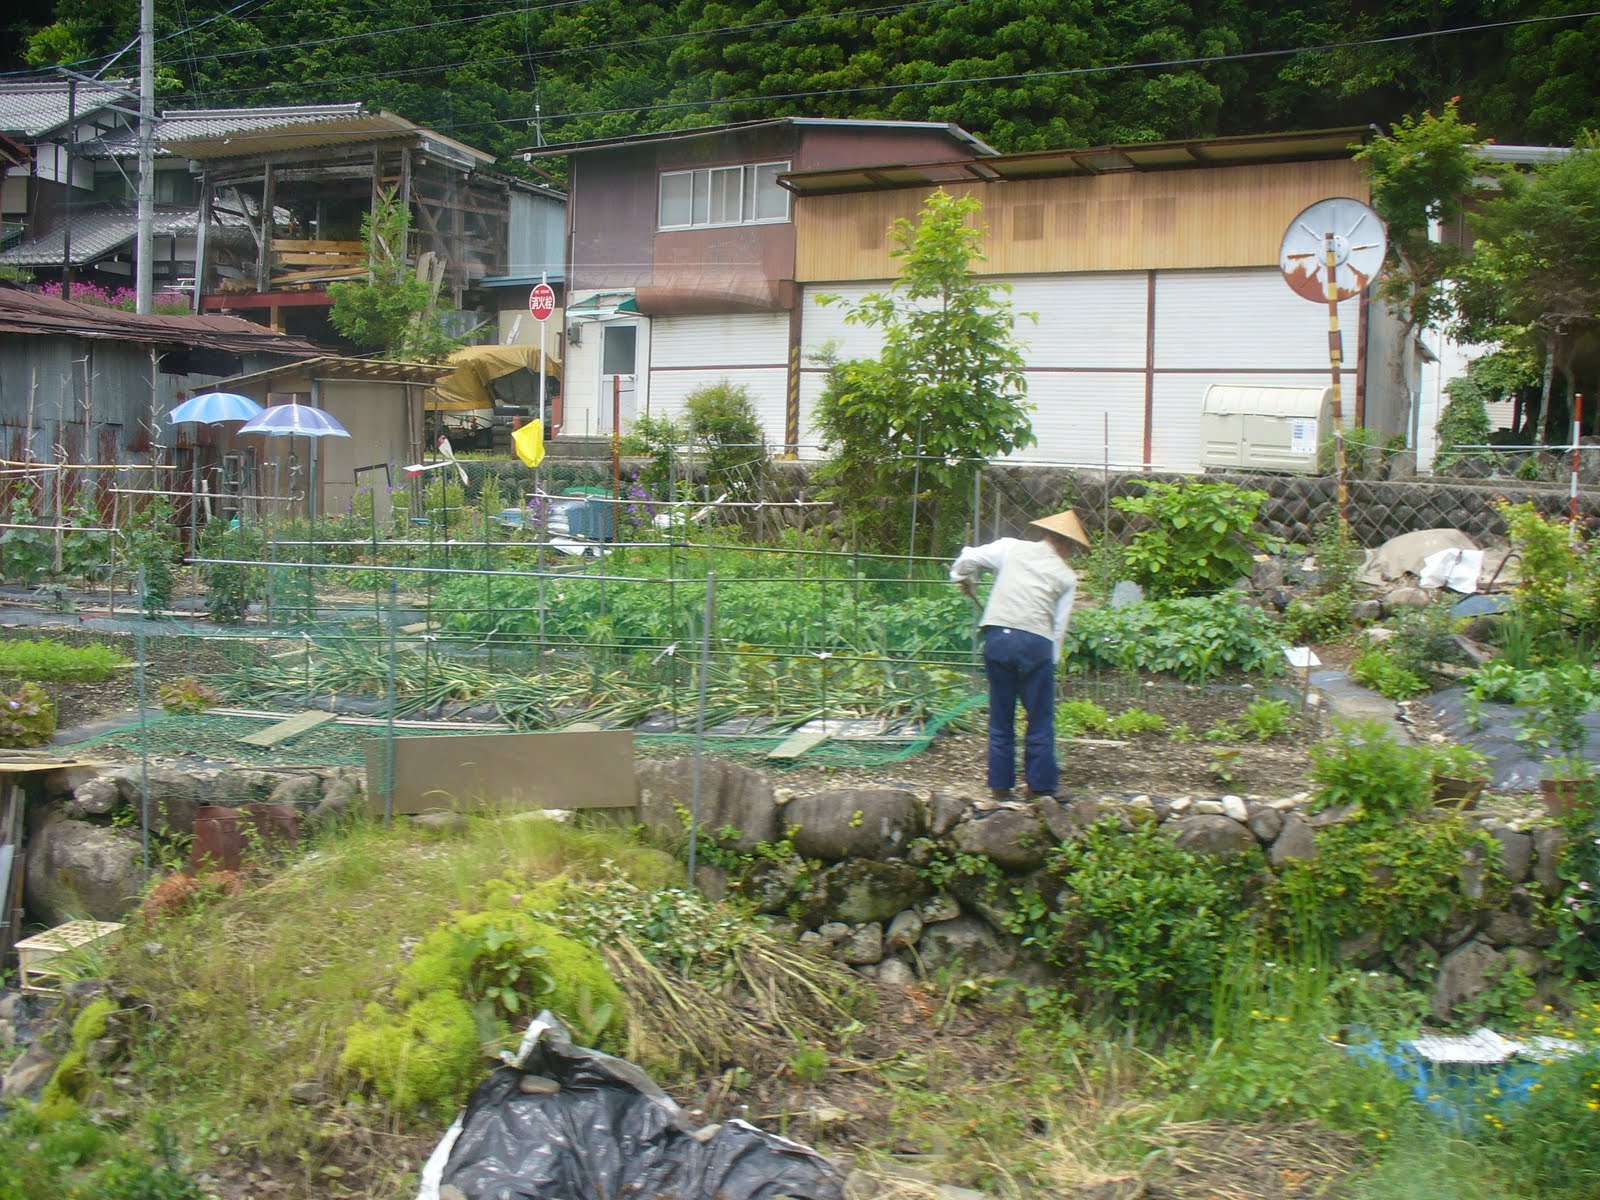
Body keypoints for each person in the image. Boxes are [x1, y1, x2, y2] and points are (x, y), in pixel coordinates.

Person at [949, 510, 1091, 799]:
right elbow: (1059, 627)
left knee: (1001, 714)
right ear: (1066, 545)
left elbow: (968, 557)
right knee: (1039, 717)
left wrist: (961, 576)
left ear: (1046, 535)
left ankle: (1000, 787)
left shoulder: (1010, 548)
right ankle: (1040, 788)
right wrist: (1050, 662)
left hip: (999, 638)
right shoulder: (1066, 576)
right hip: (1035, 643)